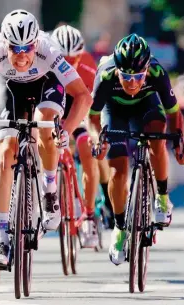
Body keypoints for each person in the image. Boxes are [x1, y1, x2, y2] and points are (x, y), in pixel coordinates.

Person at [0, 9, 92, 268]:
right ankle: (1, 237)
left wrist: (67, 130)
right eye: (15, 48)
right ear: (6, 44)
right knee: (5, 151)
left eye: (28, 47)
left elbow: (83, 96)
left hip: (46, 83)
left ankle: (49, 189)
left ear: (36, 42)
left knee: (44, 120)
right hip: (9, 85)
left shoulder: (48, 51)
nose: (22, 54)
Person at [88, 33, 184, 265]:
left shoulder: (157, 72)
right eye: (126, 77)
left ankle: (161, 197)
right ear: (118, 71)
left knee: (157, 138)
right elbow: (92, 118)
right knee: (118, 171)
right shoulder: (106, 74)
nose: (132, 83)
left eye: (138, 77)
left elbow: (173, 113)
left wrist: (179, 142)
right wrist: (97, 140)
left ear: (146, 71)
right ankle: (120, 228)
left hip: (146, 107)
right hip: (115, 112)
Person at [51, 24, 112, 247]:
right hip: (55, 109)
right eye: (64, 58)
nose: (69, 63)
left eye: (74, 58)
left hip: (80, 111)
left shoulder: (87, 66)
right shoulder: (46, 62)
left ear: (80, 54)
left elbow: (95, 106)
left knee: (87, 147)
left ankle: (88, 215)